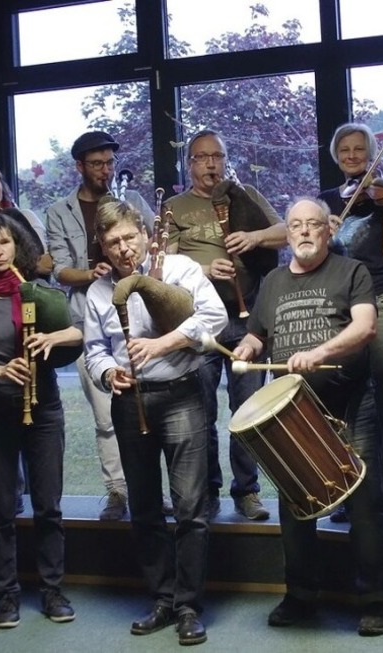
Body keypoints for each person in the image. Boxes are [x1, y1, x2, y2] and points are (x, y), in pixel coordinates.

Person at [233, 197, 383, 637]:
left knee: (363, 503)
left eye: (313, 225)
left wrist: (319, 353)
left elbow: (364, 327)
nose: (304, 232)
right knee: (295, 506)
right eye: (296, 225)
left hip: (350, 402)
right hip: (293, 411)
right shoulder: (272, 282)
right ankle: (301, 595)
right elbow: (257, 334)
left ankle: (375, 598)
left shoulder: (351, 271)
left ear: (327, 231)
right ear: (287, 233)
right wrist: (248, 347)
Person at [83, 200, 227, 646]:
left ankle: (188, 606)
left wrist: (162, 344)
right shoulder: (97, 293)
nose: (124, 249)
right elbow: (94, 351)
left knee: (189, 507)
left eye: (129, 237)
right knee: (144, 507)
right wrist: (109, 372)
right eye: (113, 243)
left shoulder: (180, 268)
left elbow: (215, 319)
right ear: (103, 249)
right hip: (131, 402)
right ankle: (162, 599)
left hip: (182, 393)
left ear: (145, 234)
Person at [0, 213, 82, 629]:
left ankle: (52, 591)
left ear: (17, 248)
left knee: (48, 506)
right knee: (1, 510)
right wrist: (0, 371)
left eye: (4, 244)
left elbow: (79, 333)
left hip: (43, 409)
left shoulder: (40, 292)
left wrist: (52, 336)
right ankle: (6, 594)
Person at [164, 129, 286, 521]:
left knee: (247, 408)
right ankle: (208, 491)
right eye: (202, 157)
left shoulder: (243, 193)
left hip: (248, 316)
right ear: (190, 163)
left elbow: (285, 232)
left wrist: (254, 236)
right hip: (199, 322)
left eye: (217, 155)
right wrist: (201, 269)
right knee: (199, 411)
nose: (211, 163)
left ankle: (246, 491)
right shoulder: (174, 207)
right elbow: (160, 265)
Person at [45, 130, 156, 521]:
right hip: (88, 320)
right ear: (79, 166)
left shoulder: (133, 202)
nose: (105, 171)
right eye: (97, 164)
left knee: (155, 416)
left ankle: (151, 495)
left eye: (109, 163)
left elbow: (158, 248)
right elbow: (59, 270)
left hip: (144, 317)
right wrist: (92, 273)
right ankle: (117, 492)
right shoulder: (60, 211)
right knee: (107, 417)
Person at [317, 123, 383, 525]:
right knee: (344, 405)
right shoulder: (325, 202)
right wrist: (326, 235)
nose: (354, 156)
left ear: (372, 152)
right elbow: (316, 255)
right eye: (346, 149)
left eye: (361, 149)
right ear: (336, 155)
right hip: (342, 307)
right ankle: (350, 493)